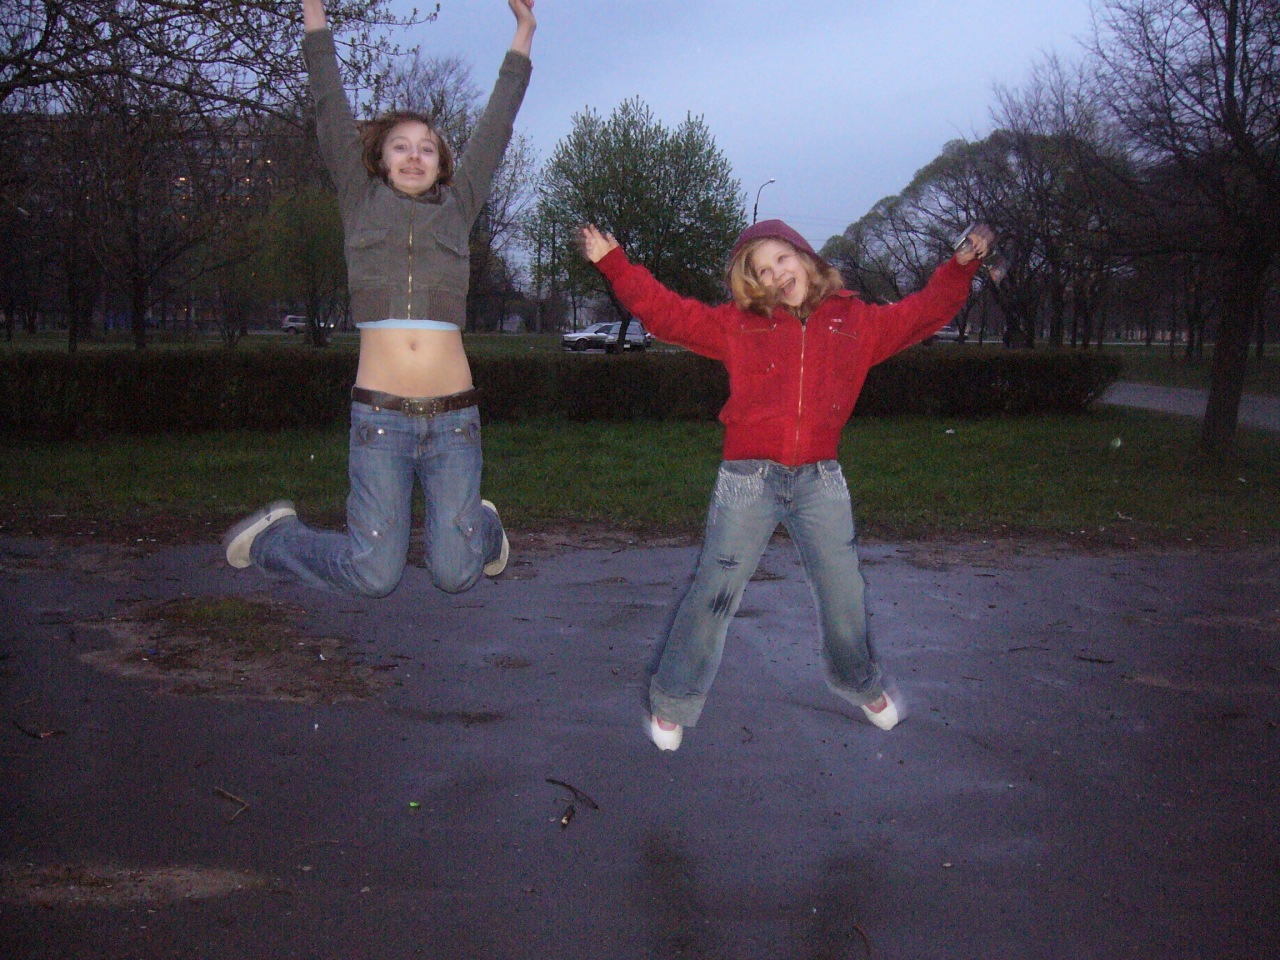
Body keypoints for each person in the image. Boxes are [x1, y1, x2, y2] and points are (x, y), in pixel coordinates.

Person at [578, 218, 993, 750]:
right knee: (714, 590)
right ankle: (673, 699)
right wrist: (615, 264)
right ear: (753, 284)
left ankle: (859, 681)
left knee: (844, 592)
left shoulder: (856, 321)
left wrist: (960, 268)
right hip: (748, 478)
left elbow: (924, 312)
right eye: (762, 272)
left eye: (782, 259)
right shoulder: (738, 324)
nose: (777, 275)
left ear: (805, 256)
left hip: (820, 478)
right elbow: (667, 314)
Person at [223, 0, 537, 597]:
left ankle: (486, 530)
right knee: (373, 575)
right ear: (379, 159)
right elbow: (329, 103)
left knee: (455, 574)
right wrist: (313, 12)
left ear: (443, 164)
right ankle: (276, 539)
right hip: (380, 421)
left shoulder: (458, 208)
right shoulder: (359, 201)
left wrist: (524, 31)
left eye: (427, 148)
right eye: (400, 146)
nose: (414, 155)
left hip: (454, 421)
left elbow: (496, 125)